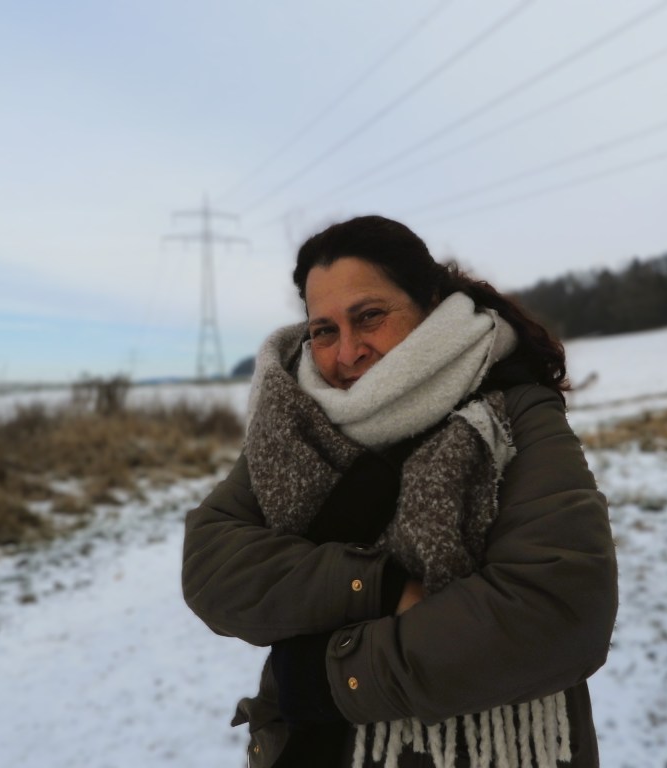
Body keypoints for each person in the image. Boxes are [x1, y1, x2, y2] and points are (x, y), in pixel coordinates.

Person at [182, 215, 618, 768]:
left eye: (369, 317)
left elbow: (559, 612)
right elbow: (213, 565)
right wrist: (380, 586)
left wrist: (333, 676)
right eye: (324, 330)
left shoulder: (513, 407)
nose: (347, 353)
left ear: (430, 302)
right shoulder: (293, 420)